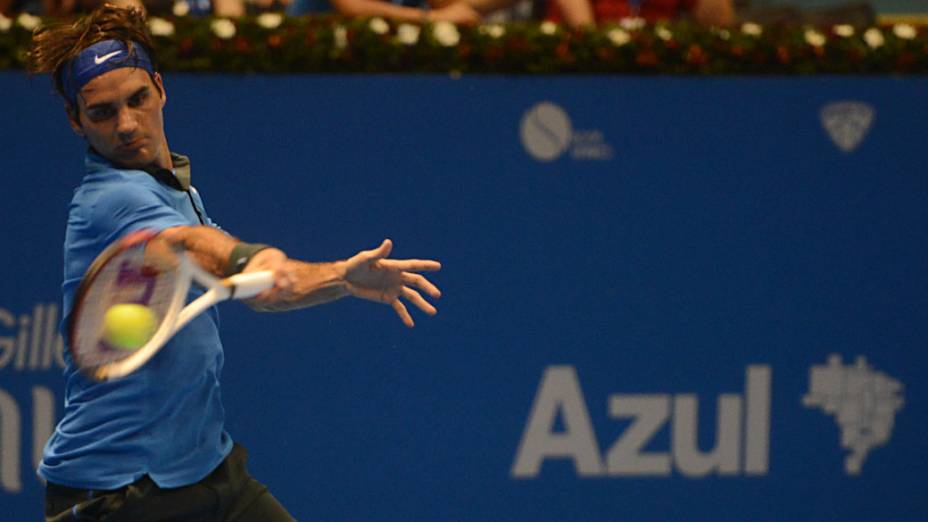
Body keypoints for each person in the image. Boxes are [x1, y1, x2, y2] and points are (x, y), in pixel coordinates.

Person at [28, 4, 442, 521]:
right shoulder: (109, 201)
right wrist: (258, 256)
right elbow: (188, 245)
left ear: (160, 88)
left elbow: (261, 289)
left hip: (207, 469)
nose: (127, 124)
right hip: (117, 495)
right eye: (102, 113)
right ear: (76, 121)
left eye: (137, 100)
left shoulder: (180, 191)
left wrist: (340, 277)